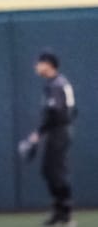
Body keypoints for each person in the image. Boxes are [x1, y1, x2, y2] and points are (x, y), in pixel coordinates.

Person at [28, 51, 77, 227]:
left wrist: (38, 133)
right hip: (61, 130)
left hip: (59, 132)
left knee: (56, 173)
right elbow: (73, 111)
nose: (36, 66)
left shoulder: (56, 85)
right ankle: (60, 212)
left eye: (39, 63)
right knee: (50, 171)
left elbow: (55, 113)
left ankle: (66, 214)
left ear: (48, 64)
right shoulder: (58, 82)